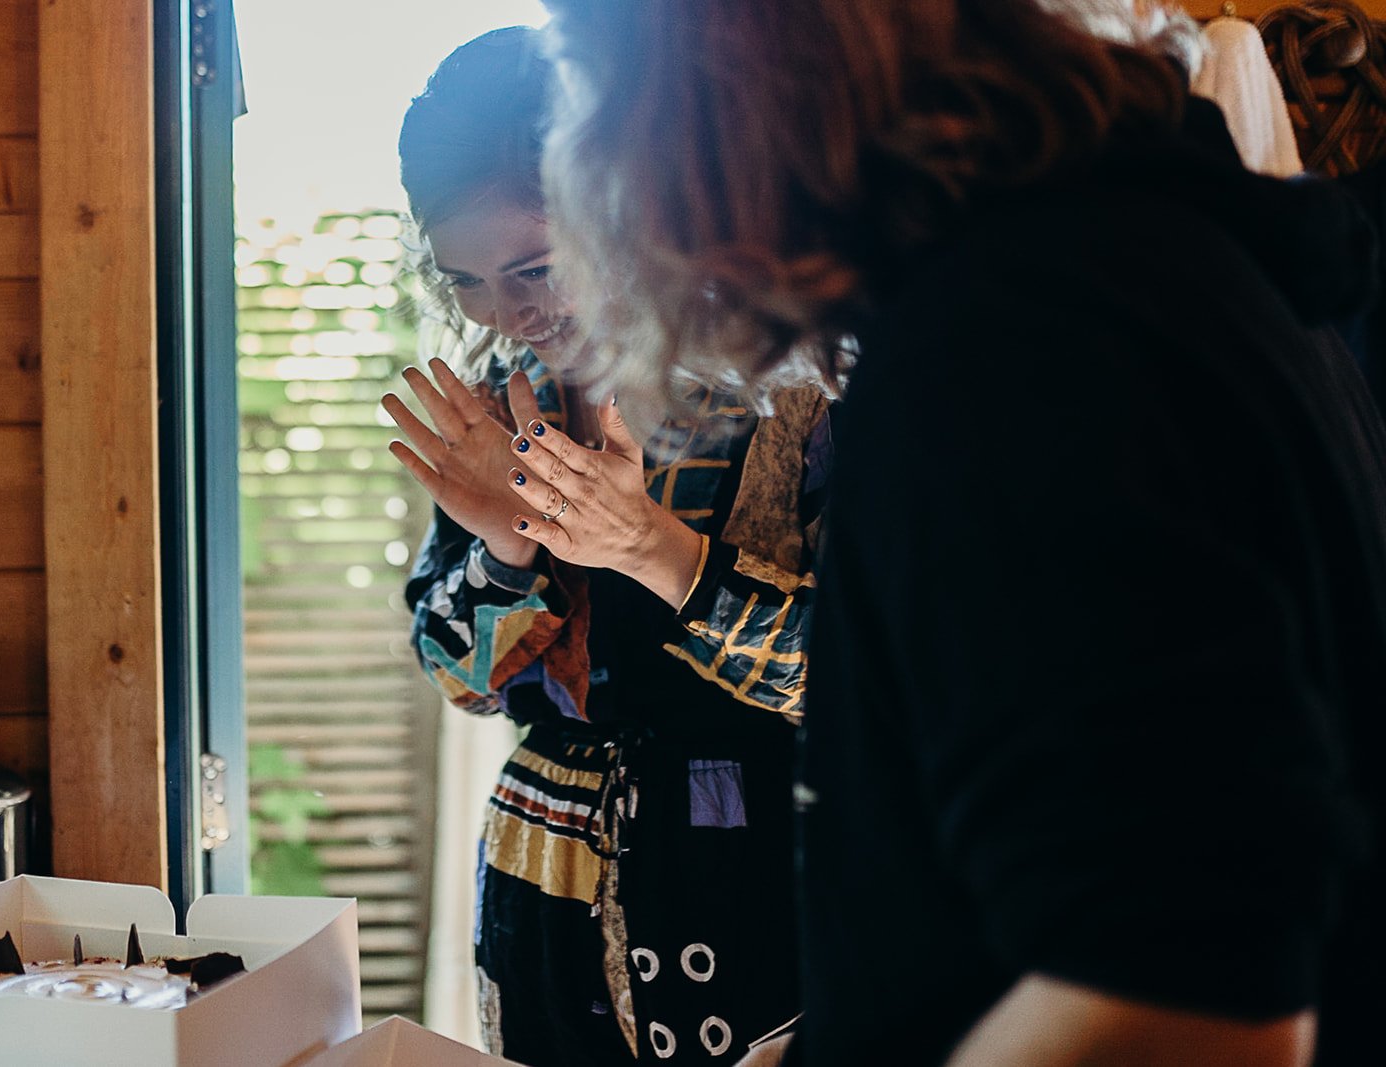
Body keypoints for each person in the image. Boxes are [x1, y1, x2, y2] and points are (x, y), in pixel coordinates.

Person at [536, 2, 1386, 1065]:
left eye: (586, 94)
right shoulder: (1155, 249)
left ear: (707, 92)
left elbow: (1187, 999)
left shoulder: (1009, 346)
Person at [384, 27, 832, 1067]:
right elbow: (459, 682)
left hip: (766, 877)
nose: (511, 311)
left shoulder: (797, 386)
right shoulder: (501, 400)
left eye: (535, 264)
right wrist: (501, 552)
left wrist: (648, 544)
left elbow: (866, 681)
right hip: (540, 880)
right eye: (469, 280)